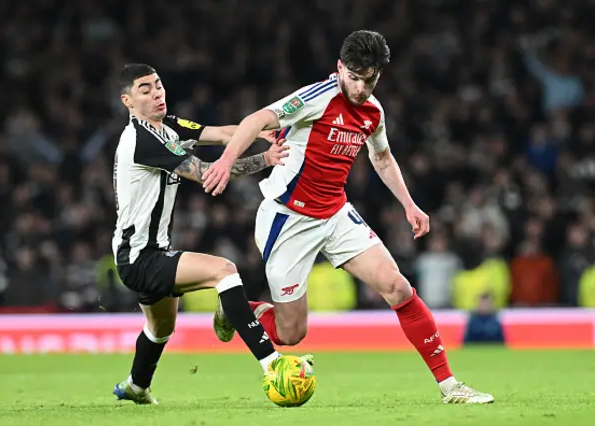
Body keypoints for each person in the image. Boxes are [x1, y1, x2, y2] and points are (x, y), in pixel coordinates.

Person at [204, 31, 494, 404]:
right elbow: (256, 119)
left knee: (398, 287)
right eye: (354, 77)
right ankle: (241, 309)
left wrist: (409, 204)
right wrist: (226, 163)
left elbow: (382, 157)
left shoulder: (373, 112)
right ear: (339, 68)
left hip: (336, 214)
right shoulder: (316, 98)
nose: (360, 87)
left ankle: (450, 386)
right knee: (291, 336)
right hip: (288, 219)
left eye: (368, 79)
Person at [111, 63, 305, 404]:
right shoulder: (142, 140)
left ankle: (136, 387)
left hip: (141, 254)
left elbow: (219, 133)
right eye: (145, 89)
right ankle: (271, 363)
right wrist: (265, 159)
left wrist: (258, 131)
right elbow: (205, 174)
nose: (157, 93)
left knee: (160, 330)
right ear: (127, 101)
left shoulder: (166, 125)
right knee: (225, 270)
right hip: (140, 257)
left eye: (158, 85)